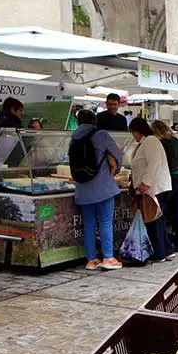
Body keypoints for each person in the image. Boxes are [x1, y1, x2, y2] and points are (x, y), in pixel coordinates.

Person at [71, 110, 123, 271]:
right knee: (106, 221)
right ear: (94, 121)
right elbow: (117, 154)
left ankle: (91, 260)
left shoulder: (73, 137)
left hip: (82, 188)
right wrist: (117, 168)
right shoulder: (102, 135)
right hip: (103, 187)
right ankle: (108, 257)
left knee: (89, 224)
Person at [129, 118, 174, 263]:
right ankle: (165, 250)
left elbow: (153, 163)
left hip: (154, 188)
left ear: (137, 131)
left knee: (153, 220)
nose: (133, 136)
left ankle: (159, 252)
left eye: (133, 132)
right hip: (153, 187)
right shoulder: (146, 142)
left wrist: (145, 183)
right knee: (157, 220)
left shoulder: (150, 141)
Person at [152, 120, 178, 252]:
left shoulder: (161, 143)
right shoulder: (175, 139)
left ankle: (165, 243)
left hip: (171, 177)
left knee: (164, 211)